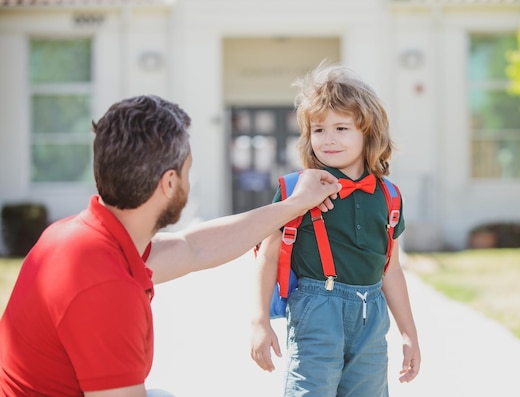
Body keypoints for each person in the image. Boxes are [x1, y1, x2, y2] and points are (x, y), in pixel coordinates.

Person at [0, 95, 341, 397]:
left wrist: (294, 205)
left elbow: (194, 248)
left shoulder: (79, 237)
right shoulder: (107, 288)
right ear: (169, 182)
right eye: (188, 171)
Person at [250, 63, 421, 396]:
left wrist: (408, 334)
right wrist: (259, 321)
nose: (328, 140)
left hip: (371, 317)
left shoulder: (389, 196)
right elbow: (267, 257)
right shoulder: (296, 190)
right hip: (317, 311)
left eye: (342, 129)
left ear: (368, 132)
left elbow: (392, 270)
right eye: (318, 130)